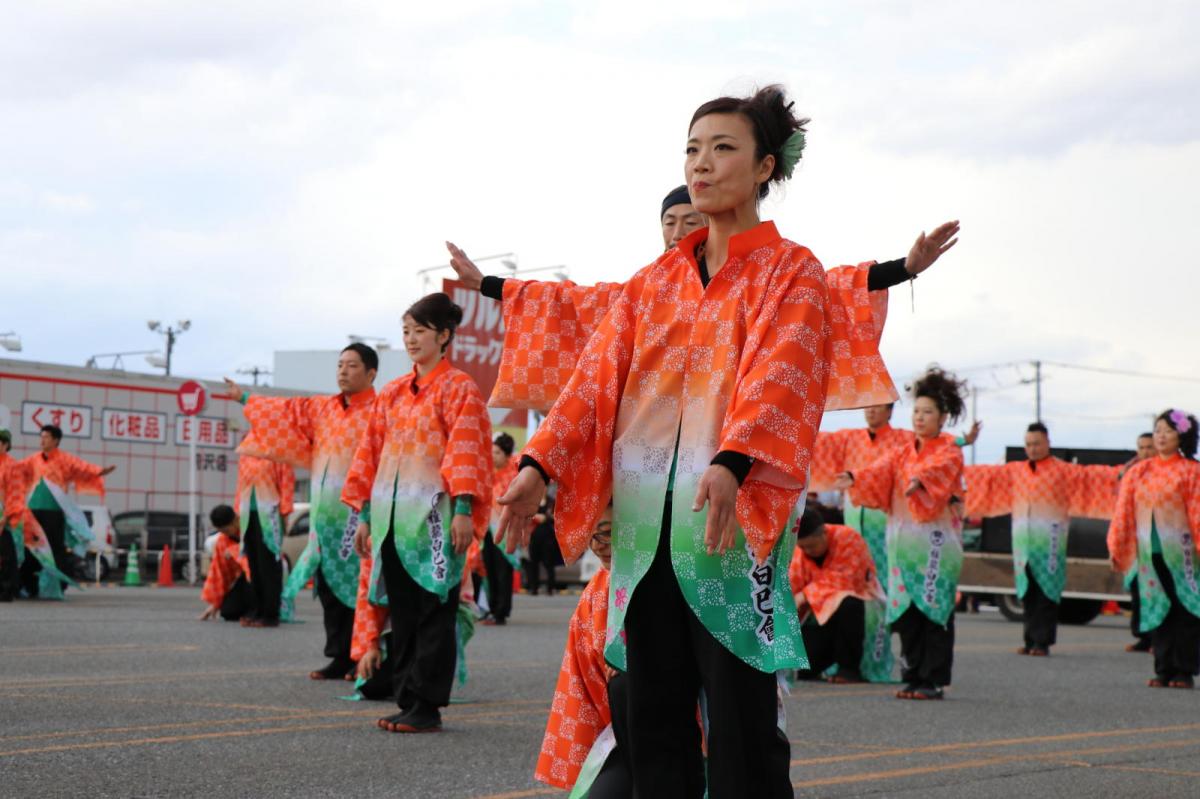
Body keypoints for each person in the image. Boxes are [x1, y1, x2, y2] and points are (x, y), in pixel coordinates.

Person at [496, 86, 891, 798]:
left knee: (741, 724)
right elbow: (593, 380)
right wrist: (537, 462)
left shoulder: (789, 269)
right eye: (692, 148)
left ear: (766, 165)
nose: (701, 164)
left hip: (729, 528)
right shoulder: (653, 282)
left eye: (722, 148)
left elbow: (785, 371)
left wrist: (733, 461)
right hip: (646, 533)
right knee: (655, 718)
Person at [447, 194, 957, 416]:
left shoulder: (757, 280)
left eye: (689, 220)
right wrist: (486, 283)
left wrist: (904, 268)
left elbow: (828, 285)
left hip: (728, 434)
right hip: (653, 444)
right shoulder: (642, 292)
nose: (677, 231)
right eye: (669, 221)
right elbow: (563, 302)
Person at [343, 292, 493, 733]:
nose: (410, 339)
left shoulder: (458, 386)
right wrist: (367, 516)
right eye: (406, 331)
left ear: (444, 336)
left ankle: (427, 705)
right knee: (404, 612)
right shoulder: (391, 393)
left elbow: (467, 449)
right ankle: (407, 697)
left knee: (434, 609)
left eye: (420, 331)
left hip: (434, 518)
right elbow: (369, 455)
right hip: (392, 520)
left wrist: (463, 509)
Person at [229, 342, 378, 678]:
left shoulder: (380, 411)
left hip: (360, 516)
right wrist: (244, 398)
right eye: (340, 364)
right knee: (327, 587)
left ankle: (363, 656)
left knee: (360, 588)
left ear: (371, 373)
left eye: (352, 365)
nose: (343, 370)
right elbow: (286, 410)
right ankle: (339, 654)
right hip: (324, 517)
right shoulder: (322, 408)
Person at [836, 366, 968, 700]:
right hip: (900, 542)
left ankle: (933, 679)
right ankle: (913, 676)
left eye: (928, 412)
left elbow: (938, 469)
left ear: (943, 417)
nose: (920, 418)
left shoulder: (949, 450)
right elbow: (879, 469)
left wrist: (919, 480)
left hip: (935, 545)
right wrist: (856, 477)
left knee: (933, 610)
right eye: (918, 411)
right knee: (906, 612)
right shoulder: (902, 451)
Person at [964, 422, 1119, 655]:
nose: (1033, 448)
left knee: (1047, 591)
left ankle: (1042, 641)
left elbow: (1093, 476)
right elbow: (984, 475)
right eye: (1028, 444)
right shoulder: (1015, 470)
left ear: (1048, 443)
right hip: (1023, 542)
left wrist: (1122, 473)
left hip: (1050, 541)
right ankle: (1029, 640)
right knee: (1027, 591)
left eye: (1037, 443)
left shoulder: (1063, 471)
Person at [536, 504, 633, 797]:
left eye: (606, 534)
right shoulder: (596, 590)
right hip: (622, 733)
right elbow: (583, 670)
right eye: (591, 537)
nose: (597, 547)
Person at [1107, 409, 1200, 689]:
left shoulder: (1192, 472)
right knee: (1157, 607)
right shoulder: (1139, 472)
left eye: (1168, 431)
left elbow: (1197, 512)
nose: (1160, 436)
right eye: (1157, 429)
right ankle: (1163, 668)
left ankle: (1183, 670)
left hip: (1183, 555)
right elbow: (1123, 513)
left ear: (1182, 436)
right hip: (1149, 554)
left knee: (1185, 609)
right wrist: (1118, 547)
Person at [789, 506, 885, 684]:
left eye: (812, 545)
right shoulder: (800, 554)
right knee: (806, 666)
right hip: (818, 619)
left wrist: (806, 595)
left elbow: (848, 580)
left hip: (857, 610)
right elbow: (792, 591)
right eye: (803, 547)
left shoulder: (848, 538)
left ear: (824, 532)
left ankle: (849, 668)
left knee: (848, 602)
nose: (808, 551)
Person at [23, 424, 115, 591]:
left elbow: (84, 468)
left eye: (47, 437)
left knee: (55, 548)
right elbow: (17, 470)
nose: (42, 440)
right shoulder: (34, 459)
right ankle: (30, 585)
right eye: (42, 437)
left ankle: (58, 584)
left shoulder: (65, 459)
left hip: (54, 510)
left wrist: (100, 471)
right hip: (34, 509)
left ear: (56, 440)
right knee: (31, 548)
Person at [233, 453, 295, 628]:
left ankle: (270, 613)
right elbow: (240, 484)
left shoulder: (276, 450)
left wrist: (285, 511)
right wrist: (237, 510)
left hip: (269, 512)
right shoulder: (245, 453)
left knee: (267, 563)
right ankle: (257, 610)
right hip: (248, 513)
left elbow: (287, 481)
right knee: (253, 564)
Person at [1121, 431, 1156, 652]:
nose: (1145, 451)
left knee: (1157, 592)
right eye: (1141, 447)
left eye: (1149, 447)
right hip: (1136, 542)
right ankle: (1143, 637)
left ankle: (1157, 638)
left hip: (1159, 541)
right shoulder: (1131, 473)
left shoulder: (1165, 473)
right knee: (1137, 592)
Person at [480, 433, 519, 624]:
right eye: (491, 452)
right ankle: (491, 607)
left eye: (497, 452)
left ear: (506, 454)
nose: (492, 456)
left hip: (505, 529)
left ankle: (501, 611)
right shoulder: (488, 475)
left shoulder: (514, 475)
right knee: (488, 568)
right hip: (487, 529)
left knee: (503, 570)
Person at [198, 505, 255, 621]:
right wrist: (216, 603)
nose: (226, 534)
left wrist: (235, 551)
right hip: (244, 578)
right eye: (221, 531)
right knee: (229, 612)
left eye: (226, 530)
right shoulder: (222, 541)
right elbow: (220, 572)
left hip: (260, 573)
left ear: (236, 520)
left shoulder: (252, 528)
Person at [0, 429, 30, 601]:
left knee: (7, 555)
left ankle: (7, 590)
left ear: (5, 445)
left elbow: (16, 494)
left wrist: (6, 517)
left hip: (7, 517)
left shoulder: (13, 465)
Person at [526, 497, 561, 596]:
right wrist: (535, 517)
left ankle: (550, 587)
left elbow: (558, 516)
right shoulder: (533, 501)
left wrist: (546, 517)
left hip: (548, 538)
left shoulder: (551, 501)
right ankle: (534, 588)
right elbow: (526, 515)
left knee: (549, 563)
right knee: (533, 563)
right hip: (534, 537)